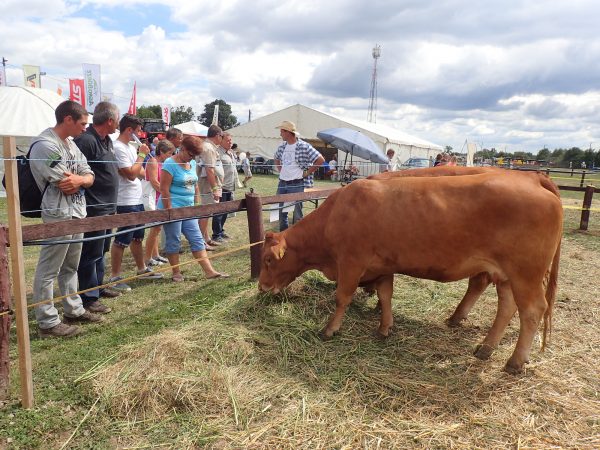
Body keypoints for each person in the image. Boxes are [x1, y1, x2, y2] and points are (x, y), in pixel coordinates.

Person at [29, 100, 102, 338]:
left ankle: (73, 309)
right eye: (82, 123)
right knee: (50, 268)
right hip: (58, 214)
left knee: (71, 265)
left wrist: (81, 179)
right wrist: (81, 180)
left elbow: (88, 174)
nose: (85, 128)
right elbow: (65, 184)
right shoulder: (44, 145)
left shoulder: (71, 144)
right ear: (68, 119)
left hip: (77, 212)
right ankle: (47, 321)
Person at [158, 136, 229, 282]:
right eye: (191, 154)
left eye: (195, 156)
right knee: (174, 240)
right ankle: (176, 272)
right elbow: (164, 189)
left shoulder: (190, 162)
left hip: (189, 209)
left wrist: (196, 204)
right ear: (182, 148)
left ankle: (209, 271)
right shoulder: (169, 164)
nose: (192, 158)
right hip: (173, 208)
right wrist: (169, 210)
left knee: (197, 238)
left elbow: (195, 184)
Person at [75, 101, 122, 316]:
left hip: (107, 207)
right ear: (110, 120)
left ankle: (98, 287)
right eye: (117, 120)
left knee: (101, 250)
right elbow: (77, 170)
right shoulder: (86, 140)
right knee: (90, 252)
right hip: (94, 207)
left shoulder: (107, 141)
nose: (118, 125)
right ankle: (88, 296)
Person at [108, 114, 163, 291]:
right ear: (129, 130)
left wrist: (150, 166)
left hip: (137, 198)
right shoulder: (118, 147)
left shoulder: (130, 147)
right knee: (122, 239)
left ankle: (142, 269)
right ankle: (114, 277)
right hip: (125, 201)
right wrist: (141, 155)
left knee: (138, 237)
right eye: (138, 131)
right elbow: (130, 173)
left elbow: (139, 172)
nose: (140, 135)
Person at [274, 120, 324, 231]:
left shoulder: (304, 146)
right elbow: (276, 157)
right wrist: (280, 169)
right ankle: (283, 236)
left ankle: (296, 240)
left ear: (288, 132)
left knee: (297, 215)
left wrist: (307, 173)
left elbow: (320, 160)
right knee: (281, 212)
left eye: (282, 131)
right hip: (282, 183)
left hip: (297, 183)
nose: (280, 134)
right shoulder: (282, 146)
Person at [144, 139, 176, 266]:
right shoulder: (153, 161)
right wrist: (166, 194)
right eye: (169, 153)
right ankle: (148, 258)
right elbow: (154, 181)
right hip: (154, 198)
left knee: (157, 228)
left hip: (160, 198)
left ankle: (155, 255)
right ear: (161, 151)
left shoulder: (163, 163)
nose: (171, 156)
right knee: (155, 228)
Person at [197, 124, 224, 249]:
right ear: (217, 135)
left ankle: (206, 238)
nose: (222, 138)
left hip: (208, 183)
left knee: (207, 212)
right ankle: (200, 241)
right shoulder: (209, 148)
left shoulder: (207, 146)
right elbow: (209, 170)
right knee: (206, 212)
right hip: (208, 185)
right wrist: (215, 189)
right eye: (222, 136)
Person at [212, 132, 240, 242]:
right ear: (221, 140)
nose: (230, 142)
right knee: (219, 212)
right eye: (228, 140)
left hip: (230, 186)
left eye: (231, 140)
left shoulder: (231, 152)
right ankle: (216, 234)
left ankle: (221, 231)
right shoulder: (217, 152)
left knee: (226, 211)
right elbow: (214, 170)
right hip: (222, 187)